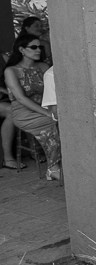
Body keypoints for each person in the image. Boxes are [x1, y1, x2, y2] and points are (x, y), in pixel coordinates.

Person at [3, 34, 61, 179]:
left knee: (64, 121)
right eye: (33, 47)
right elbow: (21, 98)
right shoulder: (11, 71)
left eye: (40, 47)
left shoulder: (43, 67)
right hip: (23, 112)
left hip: (45, 107)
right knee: (52, 123)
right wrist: (47, 113)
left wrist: (51, 110)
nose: (38, 50)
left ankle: (66, 161)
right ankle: (53, 167)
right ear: (22, 50)